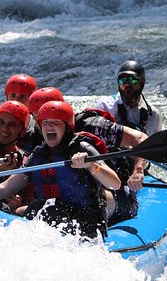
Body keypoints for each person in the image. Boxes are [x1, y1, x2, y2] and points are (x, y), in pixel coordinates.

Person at [0, 101, 121, 239]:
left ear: (67, 126)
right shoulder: (38, 155)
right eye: (45, 123)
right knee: (39, 208)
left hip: (86, 223)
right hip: (55, 221)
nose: (49, 126)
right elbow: (4, 189)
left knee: (46, 210)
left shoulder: (82, 148)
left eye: (55, 122)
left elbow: (115, 184)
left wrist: (92, 166)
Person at [29, 87, 148, 224]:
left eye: (53, 117)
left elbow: (140, 138)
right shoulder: (42, 136)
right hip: (66, 199)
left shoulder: (93, 125)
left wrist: (138, 170)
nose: (46, 125)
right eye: (39, 118)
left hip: (114, 188)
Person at [95, 60, 162, 136]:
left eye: (132, 80)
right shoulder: (105, 106)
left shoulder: (153, 115)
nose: (127, 84)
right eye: (122, 80)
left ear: (142, 82)